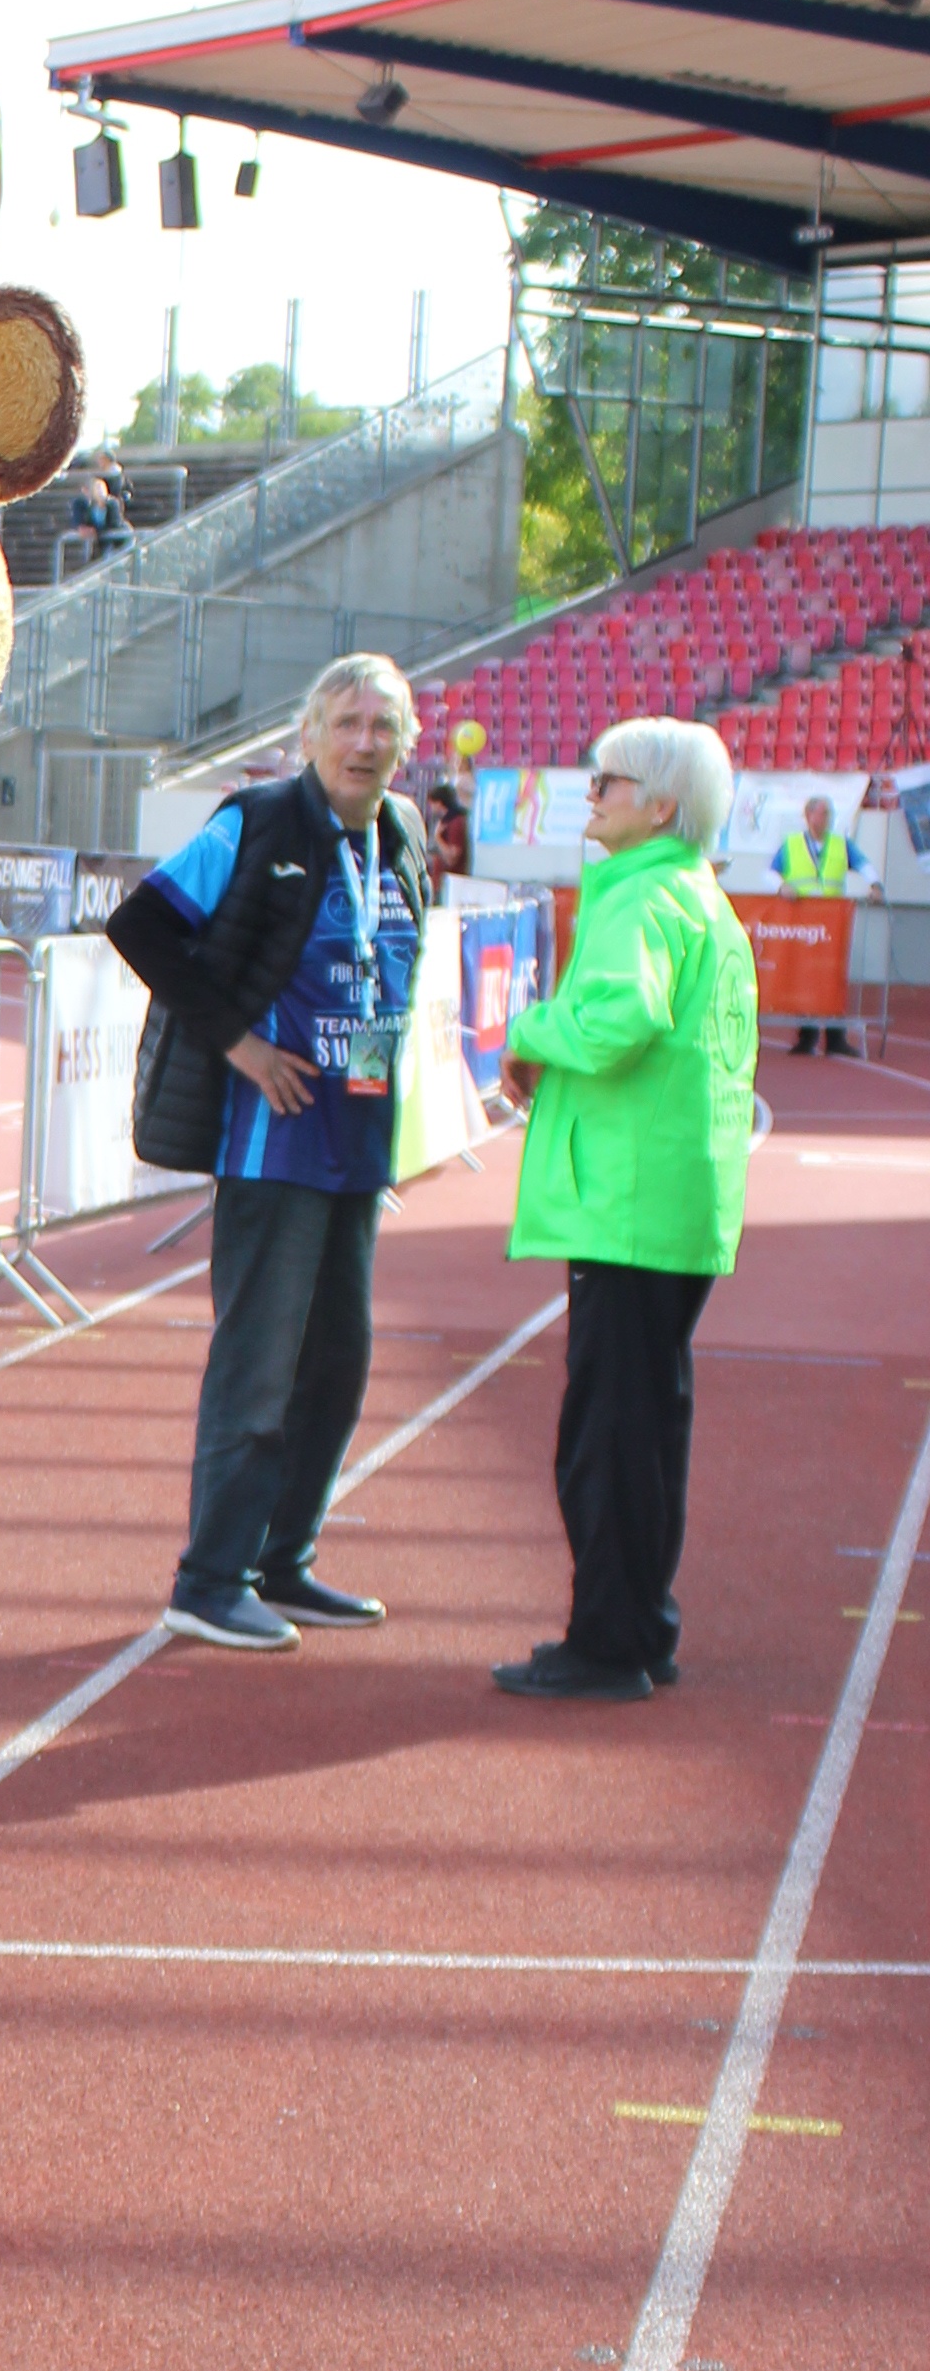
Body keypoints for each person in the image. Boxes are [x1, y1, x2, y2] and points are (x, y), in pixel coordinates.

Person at [107, 653, 431, 1651]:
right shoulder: (256, 823)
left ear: (407, 745)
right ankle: (209, 1580)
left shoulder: (406, 833)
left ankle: (285, 1562)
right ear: (308, 735)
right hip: (271, 1143)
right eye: (347, 722)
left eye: (384, 726)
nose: (365, 742)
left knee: (337, 1363)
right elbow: (141, 925)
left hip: (357, 1140)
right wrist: (241, 1041)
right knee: (259, 1364)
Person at [489, 716, 756, 1699]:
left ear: (661, 807)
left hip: (627, 1202)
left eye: (610, 781)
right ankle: (640, 1626)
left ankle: (608, 1642)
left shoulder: (642, 901)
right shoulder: (701, 901)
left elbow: (618, 1020)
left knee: (605, 1435)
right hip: (675, 1201)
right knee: (646, 1425)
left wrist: (529, 1030)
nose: (590, 793)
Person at [776, 788, 868, 1055]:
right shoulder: (793, 844)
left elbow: (863, 864)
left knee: (833, 978)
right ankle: (807, 1037)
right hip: (803, 923)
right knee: (805, 978)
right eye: (823, 813)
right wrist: (782, 887)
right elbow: (771, 873)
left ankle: (836, 1038)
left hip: (832, 923)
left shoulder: (840, 843)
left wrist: (873, 884)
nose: (827, 818)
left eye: (830, 813)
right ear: (808, 815)